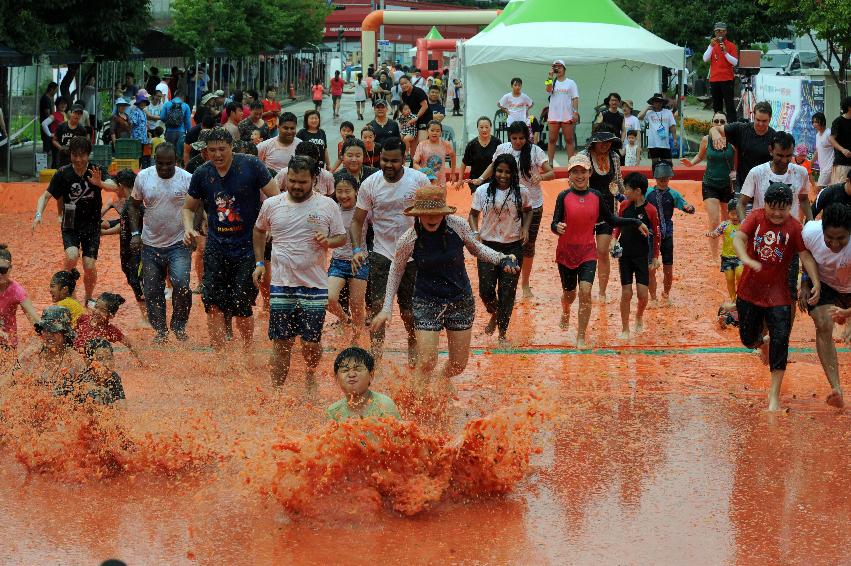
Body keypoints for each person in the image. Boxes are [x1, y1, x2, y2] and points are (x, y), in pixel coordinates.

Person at [370, 186, 518, 392]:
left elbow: (476, 248)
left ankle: (441, 380)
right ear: (418, 214)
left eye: (437, 213)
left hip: (460, 300)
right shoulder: (409, 239)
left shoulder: (457, 225)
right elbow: (396, 270)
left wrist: (500, 258)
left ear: (444, 212)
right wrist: (387, 308)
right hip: (426, 301)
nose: (432, 218)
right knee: (427, 361)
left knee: (458, 365)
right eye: (427, 214)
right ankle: (417, 404)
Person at [252, 155, 345, 388]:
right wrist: (260, 263)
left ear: (314, 179)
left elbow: (342, 236)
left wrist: (329, 241)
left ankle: (310, 375)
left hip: (314, 285)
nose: (295, 186)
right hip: (282, 284)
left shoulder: (327, 205)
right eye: (292, 180)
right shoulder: (272, 204)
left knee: (310, 343)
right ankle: (276, 391)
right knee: (281, 343)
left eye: (302, 182)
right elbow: (259, 230)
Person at [183, 127, 280, 350]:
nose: (217, 155)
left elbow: (276, 198)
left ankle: (247, 350)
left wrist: (272, 227)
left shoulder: (251, 165)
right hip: (216, 246)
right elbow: (188, 208)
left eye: (222, 150)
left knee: (242, 304)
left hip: (248, 247)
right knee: (213, 304)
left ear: (232, 148)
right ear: (206, 152)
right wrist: (189, 228)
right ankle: (220, 355)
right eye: (212, 150)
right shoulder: (202, 173)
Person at [732, 183, 820, 411]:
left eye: (783, 208)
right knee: (747, 339)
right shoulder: (756, 217)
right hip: (749, 292)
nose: (778, 213)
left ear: (790, 206)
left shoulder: (794, 227)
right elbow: (738, 238)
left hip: (779, 296)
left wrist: (816, 282)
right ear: (766, 204)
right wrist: (746, 259)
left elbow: (805, 256)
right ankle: (762, 343)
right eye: (773, 207)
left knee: (781, 342)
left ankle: (774, 398)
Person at [350, 137, 432, 367]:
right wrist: (357, 249)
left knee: (409, 311)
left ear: (404, 159)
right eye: (384, 160)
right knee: (377, 307)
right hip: (382, 253)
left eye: (394, 161)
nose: (388, 165)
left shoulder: (419, 180)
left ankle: (413, 350)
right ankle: (375, 356)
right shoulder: (370, 184)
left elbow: (434, 214)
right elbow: (357, 221)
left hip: (414, 255)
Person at [551, 154, 648, 348]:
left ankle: (580, 336)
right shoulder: (563, 196)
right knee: (569, 295)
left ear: (589, 173)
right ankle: (566, 309)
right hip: (566, 253)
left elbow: (612, 220)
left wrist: (636, 222)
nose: (579, 176)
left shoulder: (596, 196)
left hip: (587, 252)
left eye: (583, 171)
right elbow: (554, 222)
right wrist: (557, 227)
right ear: (569, 175)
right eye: (575, 172)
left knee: (585, 292)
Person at [33, 137, 120, 305]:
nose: (79, 159)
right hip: (70, 223)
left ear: (89, 154)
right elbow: (45, 196)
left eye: (82, 155)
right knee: (72, 256)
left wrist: (99, 182)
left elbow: (114, 186)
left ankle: (88, 297)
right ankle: (68, 287)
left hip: (92, 223)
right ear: (70, 154)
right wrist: (38, 215)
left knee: (88, 264)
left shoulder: (96, 169)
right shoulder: (63, 173)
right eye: (75, 155)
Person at [471, 121, 553, 298]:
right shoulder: (502, 148)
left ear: (527, 137)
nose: (518, 141)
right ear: (509, 137)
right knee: (505, 239)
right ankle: (507, 279)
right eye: (514, 138)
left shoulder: (535, 151)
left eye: (521, 138)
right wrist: (480, 179)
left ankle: (525, 283)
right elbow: (493, 166)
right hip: (506, 204)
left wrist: (541, 176)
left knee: (527, 245)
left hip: (531, 204)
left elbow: (551, 172)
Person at [128, 143, 193, 343]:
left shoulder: (186, 178)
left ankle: (179, 325)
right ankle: (161, 330)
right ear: (154, 160)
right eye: (160, 163)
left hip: (179, 243)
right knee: (152, 290)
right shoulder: (144, 177)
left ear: (177, 162)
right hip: (150, 244)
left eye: (169, 164)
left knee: (181, 284)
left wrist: (193, 229)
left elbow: (196, 206)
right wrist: (135, 233)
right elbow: (133, 205)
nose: (164, 168)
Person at [468, 154, 531, 342]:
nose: (503, 175)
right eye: (499, 171)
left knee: (507, 292)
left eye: (507, 172)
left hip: (513, 247)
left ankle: (502, 334)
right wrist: (474, 232)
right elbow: (473, 215)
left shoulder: (522, 192)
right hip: (487, 246)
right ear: (494, 171)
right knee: (485, 290)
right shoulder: (482, 191)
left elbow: (529, 211)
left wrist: (525, 229)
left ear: (513, 174)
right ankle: (495, 314)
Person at [799, 203, 851, 408]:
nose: (835, 244)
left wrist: (847, 313)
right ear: (822, 229)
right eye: (830, 238)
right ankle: (836, 388)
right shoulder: (810, 232)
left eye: (841, 239)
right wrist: (805, 283)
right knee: (823, 324)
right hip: (825, 284)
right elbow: (805, 256)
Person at [612, 173, 661, 339]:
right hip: (625, 256)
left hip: (641, 257)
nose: (624, 191)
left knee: (642, 294)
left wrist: (655, 256)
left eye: (627, 188)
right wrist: (613, 239)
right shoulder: (625, 205)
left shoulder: (651, 210)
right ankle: (625, 328)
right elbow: (618, 225)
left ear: (638, 191)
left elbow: (656, 235)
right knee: (626, 293)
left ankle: (639, 315)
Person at [681, 112, 735, 258]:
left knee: (727, 219)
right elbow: (700, 155)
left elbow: (738, 160)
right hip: (710, 183)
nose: (719, 123)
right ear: (712, 123)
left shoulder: (733, 141)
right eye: (716, 121)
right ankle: (714, 256)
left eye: (722, 121)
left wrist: (736, 173)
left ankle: (727, 252)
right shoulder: (706, 139)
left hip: (727, 185)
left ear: (727, 124)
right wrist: (691, 163)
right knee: (714, 220)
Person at [580, 127, 625, 302]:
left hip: (608, 211)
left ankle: (602, 292)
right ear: (594, 142)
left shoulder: (614, 157)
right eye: (602, 142)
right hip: (586, 211)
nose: (605, 146)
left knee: (602, 251)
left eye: (608, 142)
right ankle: (585, 288)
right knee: (585, 253)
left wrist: (627, 200)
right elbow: (576, 181)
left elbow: (619, 180)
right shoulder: (583, 156)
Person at [100, 169, 148, 325]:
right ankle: (146, 317)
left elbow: (137, 228)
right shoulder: (129, 203)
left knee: (138, 281)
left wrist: (105, 232)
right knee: (133, 280)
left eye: (115, 187)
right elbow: (124, 225)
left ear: (120, 186)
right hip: (127, 250)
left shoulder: (135, 204)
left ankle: (148, 318)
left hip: (137, 252)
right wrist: (106, 230)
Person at [645, 162, 696, 304]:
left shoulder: (673, 194)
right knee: (650, 267)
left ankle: (666, 294)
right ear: (655, 178)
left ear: (669, 178)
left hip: (667, 232)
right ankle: (653, 297)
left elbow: (685, 205)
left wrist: (689, 208)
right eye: (661, 179)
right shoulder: (647, 192)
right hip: (650, 233)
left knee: (668, 266)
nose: (663, 181)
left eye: (666, 179)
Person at [326, 172, 369, 340]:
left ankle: (357, 341)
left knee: (357, 305)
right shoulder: (332, 210)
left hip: (360, 262)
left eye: (347, 191)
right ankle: (345, 319)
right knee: (328, 298)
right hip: (338, 262)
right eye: (339, 191)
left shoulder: (364, 211)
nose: (343, 195)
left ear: (356, 191)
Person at [709, 100, 776, 190]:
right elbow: (714, 129)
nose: (760, 124)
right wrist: (716, 134)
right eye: (758, 120)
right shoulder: (741, 129)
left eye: (764, 121)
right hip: (743, 185)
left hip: (765, 186)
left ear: (770, 118)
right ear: (753, 116)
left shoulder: (774, 137)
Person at [326, 347, 401, 422]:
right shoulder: (333, 412)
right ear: (336, 378)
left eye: (358, 369)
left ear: (371, 376)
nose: (351, 374)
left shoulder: (384, 406)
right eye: (345, 370)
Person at [16, 306, 83, 385]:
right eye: (45, 329)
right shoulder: (31, 354)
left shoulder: (74, 361)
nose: (49, 334)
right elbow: (8, 380)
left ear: (65, 333)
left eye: (54, 330)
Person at [73, 292, 143, 364]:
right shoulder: (83, 319)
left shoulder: (110, 330)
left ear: (111, 316)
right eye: (96, 307)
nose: (97, 312)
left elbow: (130, 344)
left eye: (102, 310)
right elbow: (73, 333)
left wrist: (142, 360)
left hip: (93, 364)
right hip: (76, 358)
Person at [59, 338, 126, 405]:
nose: (107, 364)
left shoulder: (113, 377)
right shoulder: (84, 385)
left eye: (109, 358)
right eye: (100, 358)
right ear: (89, 362)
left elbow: (122, 405)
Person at [0, 244, 39, 350]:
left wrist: (46, 333)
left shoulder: (17, 291)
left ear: (10, 268)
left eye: (3, 270)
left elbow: (33, 318)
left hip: (8, 344)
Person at [705, 200, 743, 303]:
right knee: (729, 279)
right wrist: (711, 234)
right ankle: (733, 299)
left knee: (740, 275)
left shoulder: (744, 225)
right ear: (728, 212)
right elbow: (716, 233)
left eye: (737, 214)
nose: (735, 217)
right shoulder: (724, 225)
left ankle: (740, 297)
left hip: (740, 258)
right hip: (727, 258)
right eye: (732, 214)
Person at [545, 59, 580, 163]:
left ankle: (571, 163)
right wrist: (550, 77)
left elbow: (575, 98)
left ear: (564, 69)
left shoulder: (571, 82)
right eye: (556, 67)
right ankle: (550, 163)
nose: (558, 69)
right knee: (552, 140)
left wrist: (575, 112)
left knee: (569, 140)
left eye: (560, 67)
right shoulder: (551, 80)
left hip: (567, 115)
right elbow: (548, 90)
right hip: (553, 115)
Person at [703, 22, 739, 121]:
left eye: (721, 31)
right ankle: (717, 125)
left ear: (725, 32)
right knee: (716, 105)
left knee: (729, 104)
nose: (719, 33)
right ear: (715, 32)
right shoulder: (712, 46)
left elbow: (735, 62)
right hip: (714, 79)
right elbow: (705, 59)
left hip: (727, 79)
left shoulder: (731, 45)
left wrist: (725, 53)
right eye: (717, 31)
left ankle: (732, 126)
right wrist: (710, 46)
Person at [457, 116, 499, 191]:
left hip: (493, 180)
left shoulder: (497, 142)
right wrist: (460, 179)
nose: (484, 130)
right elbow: (464, 163)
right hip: (475, 180)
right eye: (481, 127)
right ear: (477, 128)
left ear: (491, 127)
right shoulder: (471, 144)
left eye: (486, 127)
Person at [412, 120, 456, 187]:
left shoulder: (445, 144)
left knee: (441, 197)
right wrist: (423, 170)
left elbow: (453, 156)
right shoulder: (422, 145)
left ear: (441, 132)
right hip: (426, 179)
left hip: (441, 181)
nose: (435, 133)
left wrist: (453, 173)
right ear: (427, 131)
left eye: (438, 131)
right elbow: (415, 163)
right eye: (432, 130)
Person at [638, 93, 677, 167]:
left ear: (662, 103)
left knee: (668, 164)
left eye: (660, 101)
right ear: (652, 103)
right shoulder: (649, 113)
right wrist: (647, 108)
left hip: (665, 143)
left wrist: (675, 139)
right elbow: (639, 117)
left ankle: (667, 178)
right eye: (656, 101)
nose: (658, 103)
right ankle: (655, 178)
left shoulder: (668, 112)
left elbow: (672, 126)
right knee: (655, 164)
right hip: (653, 143)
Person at [399, 75, 432, 155]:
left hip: (424, 118)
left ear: (410, 82)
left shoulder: (418, 91)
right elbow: (406, 110)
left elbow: (425, 106)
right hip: (413, 119)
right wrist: (403, 122)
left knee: (421, 141)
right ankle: (413, 162)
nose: (404, 85)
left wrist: (416, 118)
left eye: (405, 83)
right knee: (412, 143)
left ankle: (423, 162)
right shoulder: (404, 95)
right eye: (402, 84)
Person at [50, 103, 87, 168]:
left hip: (76, 159)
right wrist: (61, 148)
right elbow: (54, 140)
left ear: (81, 115)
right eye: (75, 113)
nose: (77, 115)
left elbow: (84, 145)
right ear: (71, 113)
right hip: (62, 158)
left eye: (79, 114)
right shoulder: (62, 126)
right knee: (62, 176)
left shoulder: (82, 129)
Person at [159, 89, 192, 161]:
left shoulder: (167, 104)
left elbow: (162, 117)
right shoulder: (185, 106)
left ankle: (169, 166)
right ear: (182, 97)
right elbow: (187, 122)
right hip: (181, 132)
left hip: (169, 132)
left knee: (170, 152)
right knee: (179, 154)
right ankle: (178, 166)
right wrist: (190, 133)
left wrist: (169, 121)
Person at [829, 96, 851, 184]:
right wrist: (843, 150)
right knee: (840, 191)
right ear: (849, 107)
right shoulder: (838, 121)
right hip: (842, 163)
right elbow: (831, 139)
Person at [812, 112, 834, 192]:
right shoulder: (817, 135)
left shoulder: (829, 133)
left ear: (822, 121)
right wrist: (810, 163)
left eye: (816, 122)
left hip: (829, 167)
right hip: (822, 168)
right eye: (813, 122)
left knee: (818, 189)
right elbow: (818, 151)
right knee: (825, 191)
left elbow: (836, 148)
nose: (814, 124)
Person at [39, 82, 58, 156]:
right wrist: (54, 119)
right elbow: (47, 113)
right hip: (47, 125)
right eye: (56, 90)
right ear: (51, 89)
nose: (56, 92)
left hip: (48, 125)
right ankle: (43, 163)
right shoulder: (46, 99)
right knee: (46, 146)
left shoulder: (48, 98)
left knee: (48, 145)